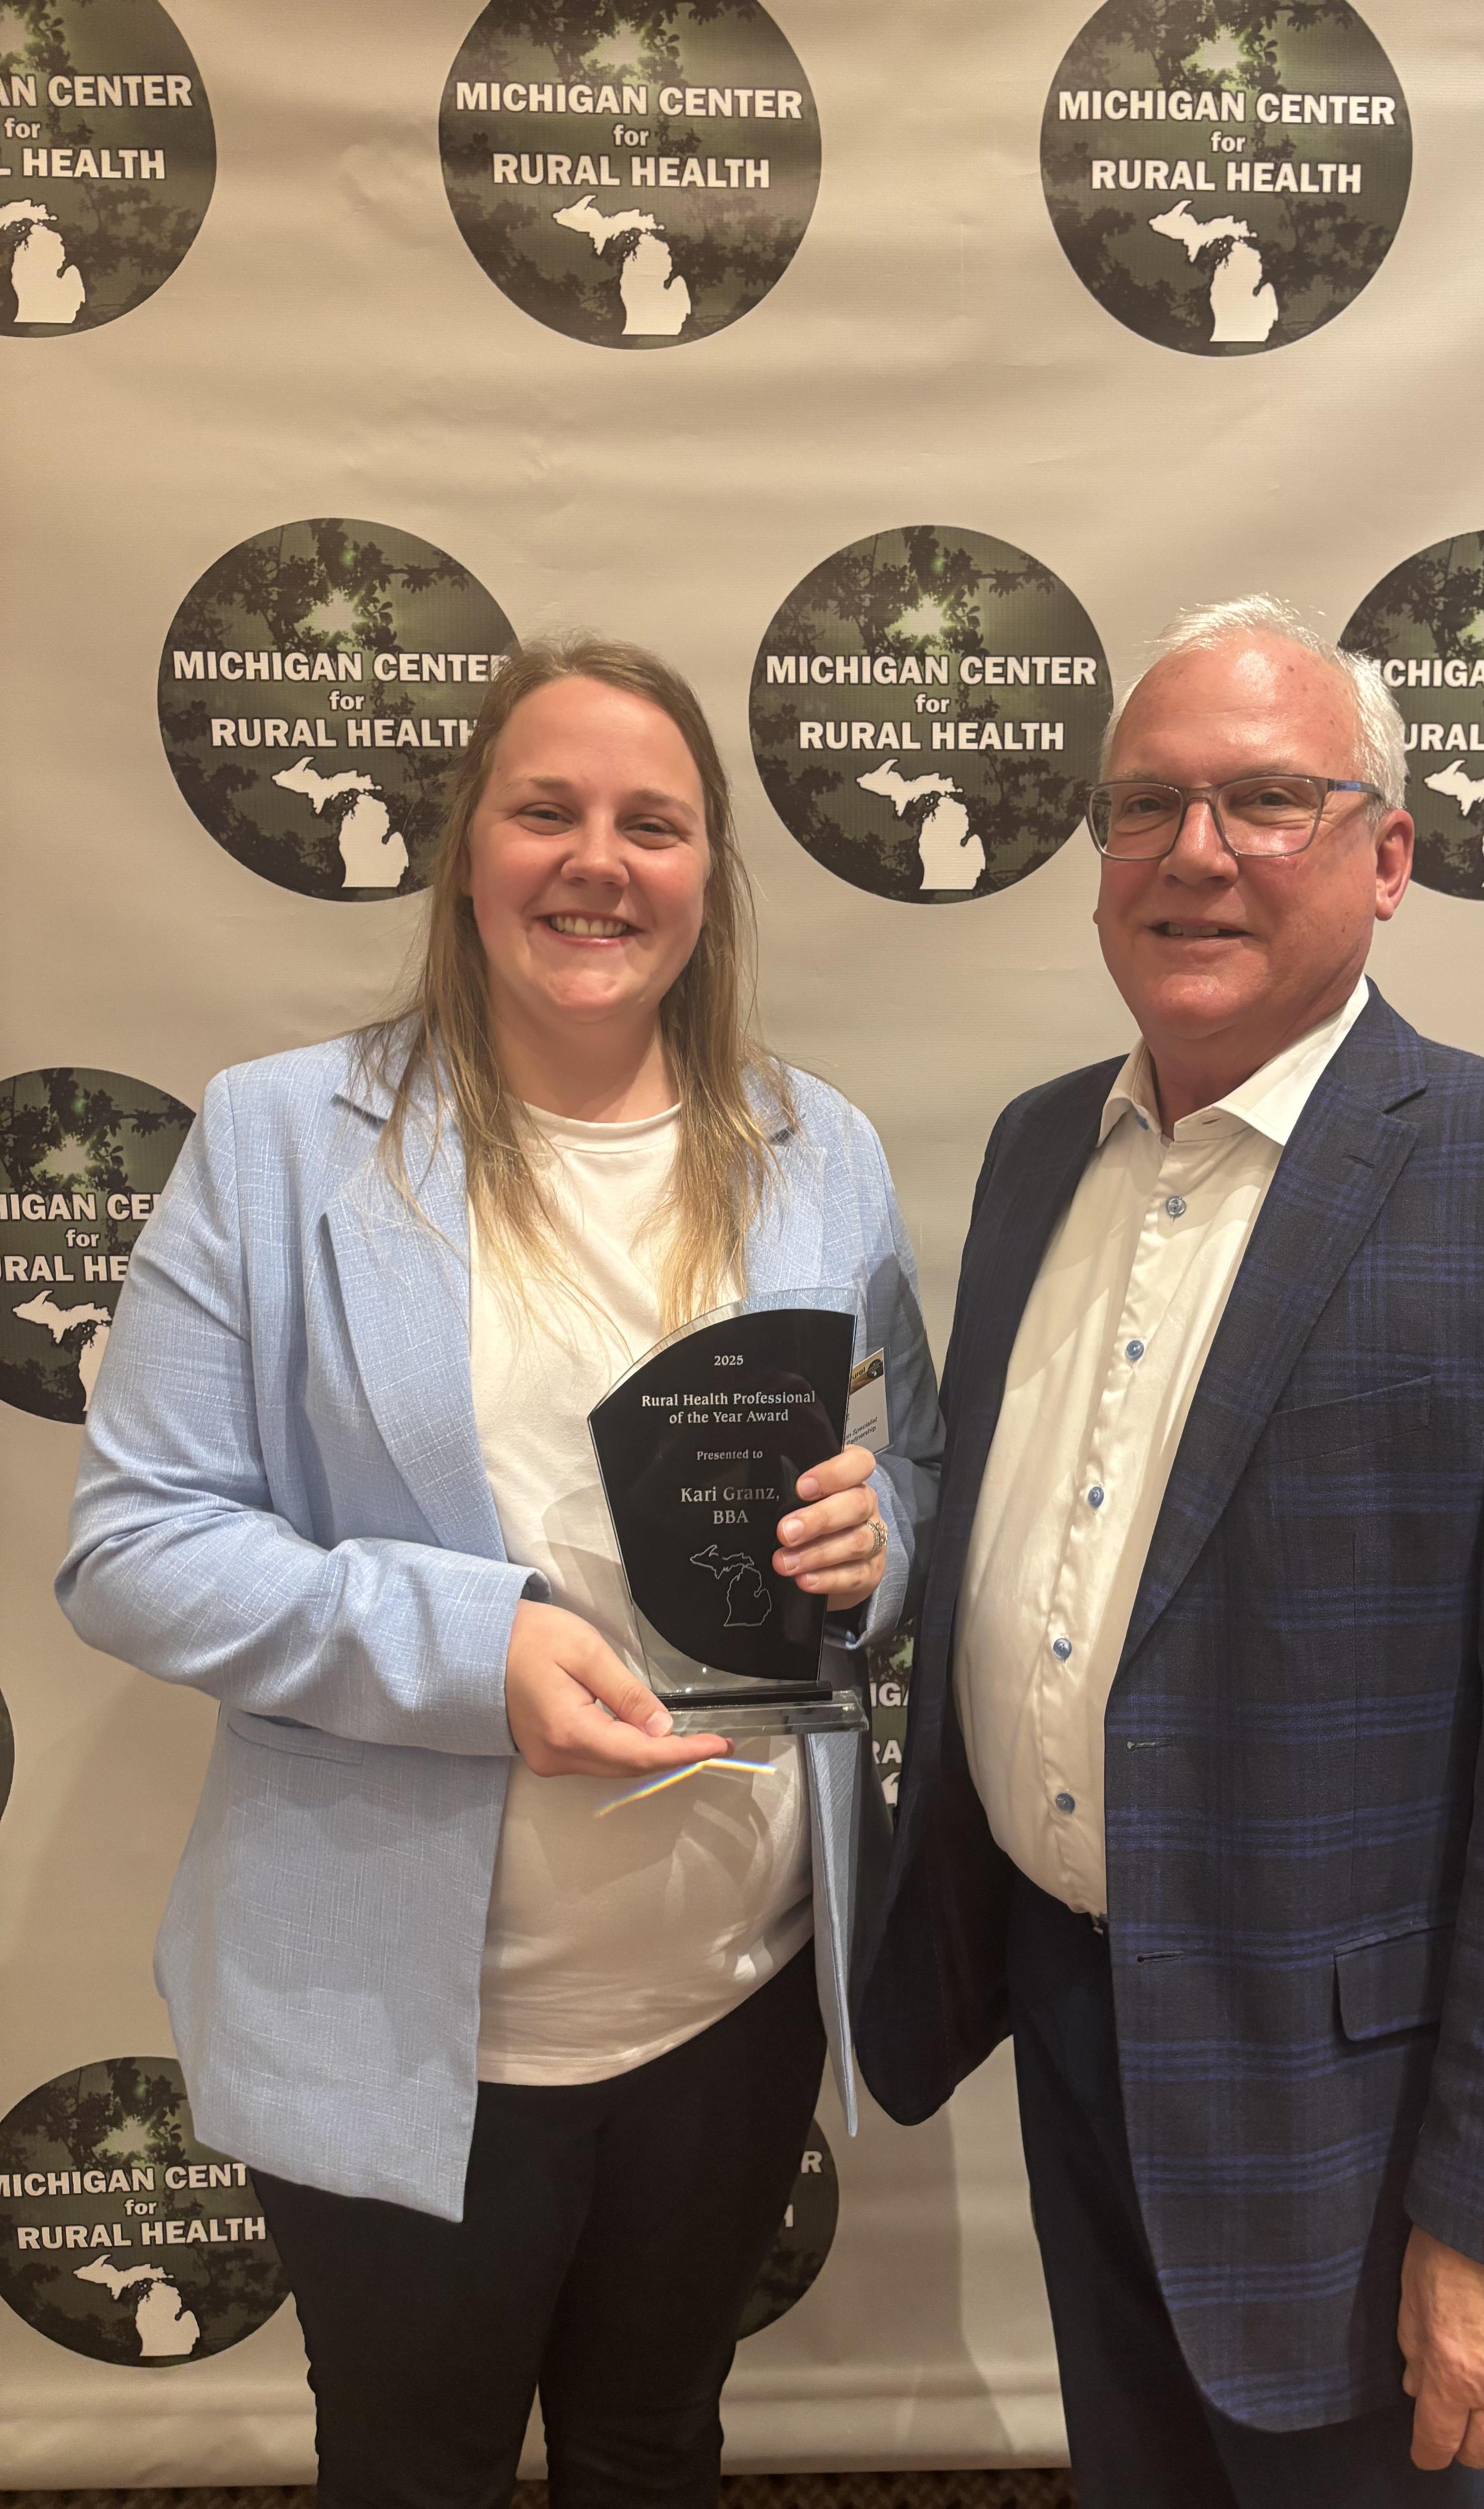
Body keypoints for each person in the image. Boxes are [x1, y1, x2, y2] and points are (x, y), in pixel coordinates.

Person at [58, 634, 942, 2509]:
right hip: (409, 2010)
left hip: (733, 1983)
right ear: (467, 851)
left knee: (652, 2443)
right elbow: (136, 1543)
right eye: (547, 811)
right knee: (415, 2463)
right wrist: (479, 1653)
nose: (597, 861)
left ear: (710, 875)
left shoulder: (818, 1149)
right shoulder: (282, 1138)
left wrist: (882, 1543)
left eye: (653, 823)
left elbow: (912, 1472)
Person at [855, 595, 1484, 2506]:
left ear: (1388, 857)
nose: (1195, 852)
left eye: (1266, 799)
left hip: (1361, 2116)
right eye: (1145, 806)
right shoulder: (1037, 1152)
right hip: (1071, 2013)